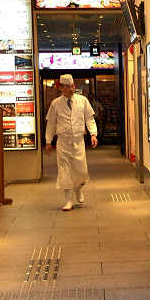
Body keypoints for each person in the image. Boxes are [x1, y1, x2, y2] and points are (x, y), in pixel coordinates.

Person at [44, 74, 97, 211]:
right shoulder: (56, 103)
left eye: (72, 86)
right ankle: (68, 200)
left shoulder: (83, 100)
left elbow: (89, 119)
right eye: (67, 86)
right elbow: (51, 124)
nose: (71, 89)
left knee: (82, 171)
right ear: (61, 88)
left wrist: (93, 134)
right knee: (64, 171)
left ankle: (78, 188)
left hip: (78, 141)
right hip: (63, 142)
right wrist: (48, 141)